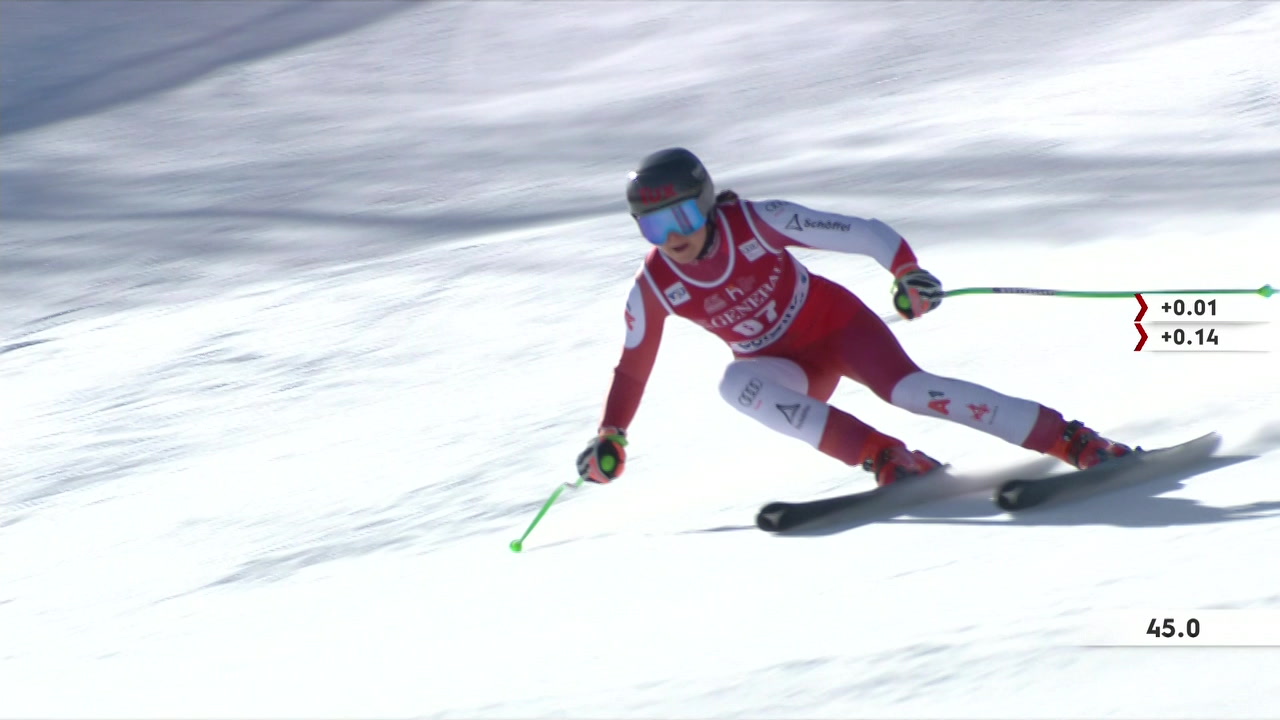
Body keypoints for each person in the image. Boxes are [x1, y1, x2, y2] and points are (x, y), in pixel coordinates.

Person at [576, 147, 1132, 487]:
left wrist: (905, 271)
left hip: (835, 326)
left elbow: (864, 232)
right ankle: (884, 457)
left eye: (682, 217)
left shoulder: (757, 221)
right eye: (653, 227)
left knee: (911, 392)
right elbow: (632, 368)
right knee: (734, 383)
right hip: (780, 366)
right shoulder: (654, 286)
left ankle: (1072, 441)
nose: (673, 238)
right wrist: (612, 436)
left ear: (706, 200)